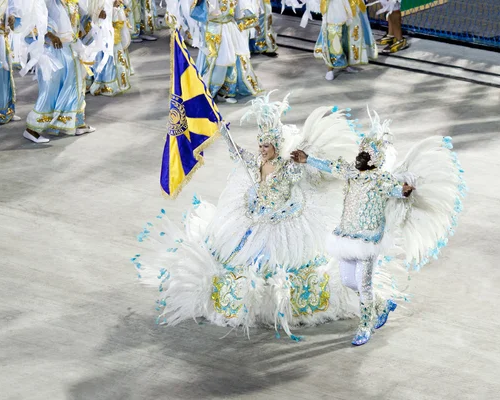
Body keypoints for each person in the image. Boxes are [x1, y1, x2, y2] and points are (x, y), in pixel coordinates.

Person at [134, 93, 363, 339]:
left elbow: (306, 174)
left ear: (276, 147)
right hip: (255, 216)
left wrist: (306, 160)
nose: (262, 150)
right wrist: (224, 134)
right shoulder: (256, 163)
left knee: (275, 263)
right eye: (260, 145)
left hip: (282, 221)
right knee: (238, 255)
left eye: (266, 146)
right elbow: (239, 155)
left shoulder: (287, 167)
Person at [291, 110, 466, 345]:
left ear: (372, 160)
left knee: (363, 285)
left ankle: (366, 326)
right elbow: (330, 166)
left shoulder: (380, 179)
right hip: (346, 236)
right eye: (359, 154)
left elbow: (396, 189)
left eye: (362, 155)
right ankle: (381, 304)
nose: (358, 157)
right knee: (348, 281)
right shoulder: (351, 173)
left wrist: (404, 191)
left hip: (368, 240)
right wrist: (307, 159)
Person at [22, 0, 100, 143]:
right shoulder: (48, 2)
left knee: (75, 87)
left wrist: (96, 18)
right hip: (54, 51)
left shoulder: (73, 2)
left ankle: (77, 123)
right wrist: (50, 35)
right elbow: (35, 20)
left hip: (72, 49)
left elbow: (81, 22)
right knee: (51, 89)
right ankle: (32, 129)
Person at [190, 0, 262, 103]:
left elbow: (240, 10)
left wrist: (249, 19)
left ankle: (227, 91)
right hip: (215, 29)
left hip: (229, 27)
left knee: (233, 60)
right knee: (219, 62)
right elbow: (197, 11)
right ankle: (208, 92)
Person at [311, 0, 377, 80]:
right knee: (333, 39)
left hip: (350, 7)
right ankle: (330, 69)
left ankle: (346, 64)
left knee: (349, 37)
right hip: (333, 10)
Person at [90, 1, 133, 96]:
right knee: (104, 45)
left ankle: (111, 81)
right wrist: (96, 10)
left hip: (110, 9)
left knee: (112, 44)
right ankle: (105, 82)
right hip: (102, 9)